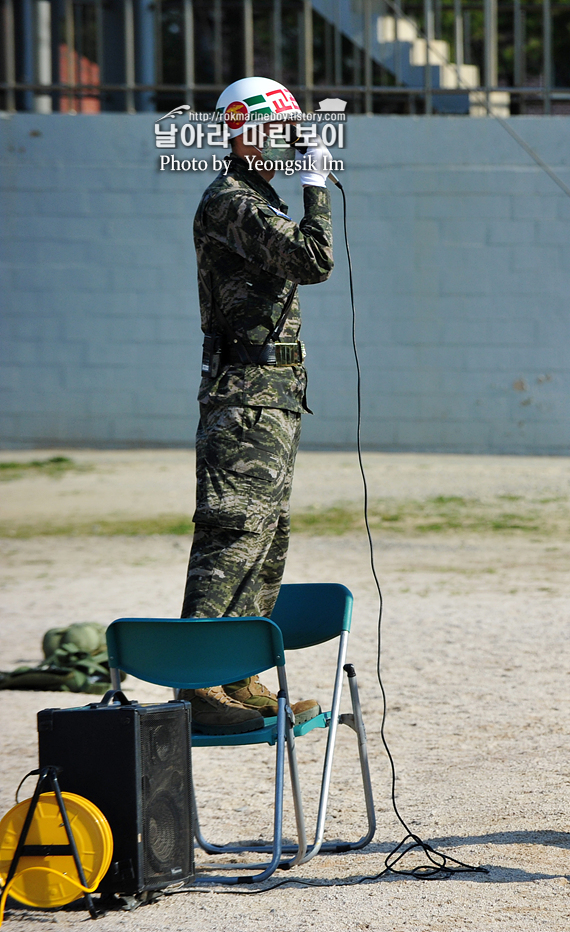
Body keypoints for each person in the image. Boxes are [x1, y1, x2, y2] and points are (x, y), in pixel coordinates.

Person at [179, 76, 338, 735]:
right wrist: (317, 184)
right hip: (243, 399)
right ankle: (197, 677)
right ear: (243, 132)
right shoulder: (231, 202)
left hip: (270, 397)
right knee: (232, 532)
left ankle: (237, 672)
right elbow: (314, 258)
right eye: (278, 131)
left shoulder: (255, 198)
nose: (287, 143)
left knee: (266, 541)